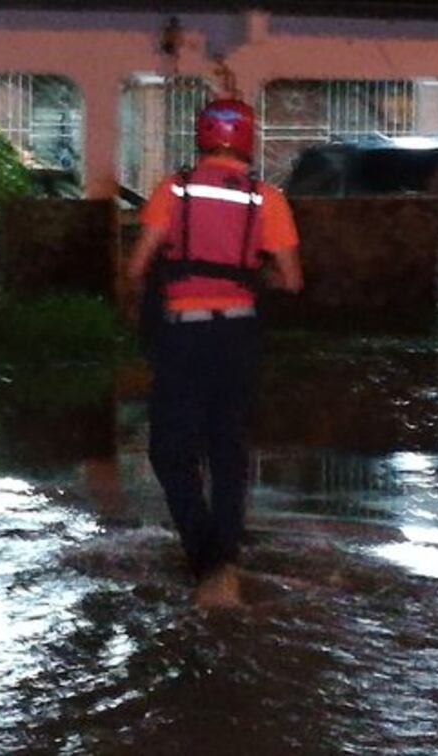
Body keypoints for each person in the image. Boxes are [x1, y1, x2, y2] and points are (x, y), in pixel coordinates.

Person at [125, 99, 304, 608]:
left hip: (183, 337)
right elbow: (292, 280)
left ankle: (206, 558)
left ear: (202, 136)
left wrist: (145, 302)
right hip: (239, 336)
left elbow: (136, 268)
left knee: (170, 452)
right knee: (228, 451)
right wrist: (251, 277)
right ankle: (224, 559)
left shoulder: (174, 190)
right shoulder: (266, 198)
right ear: (248, 139)